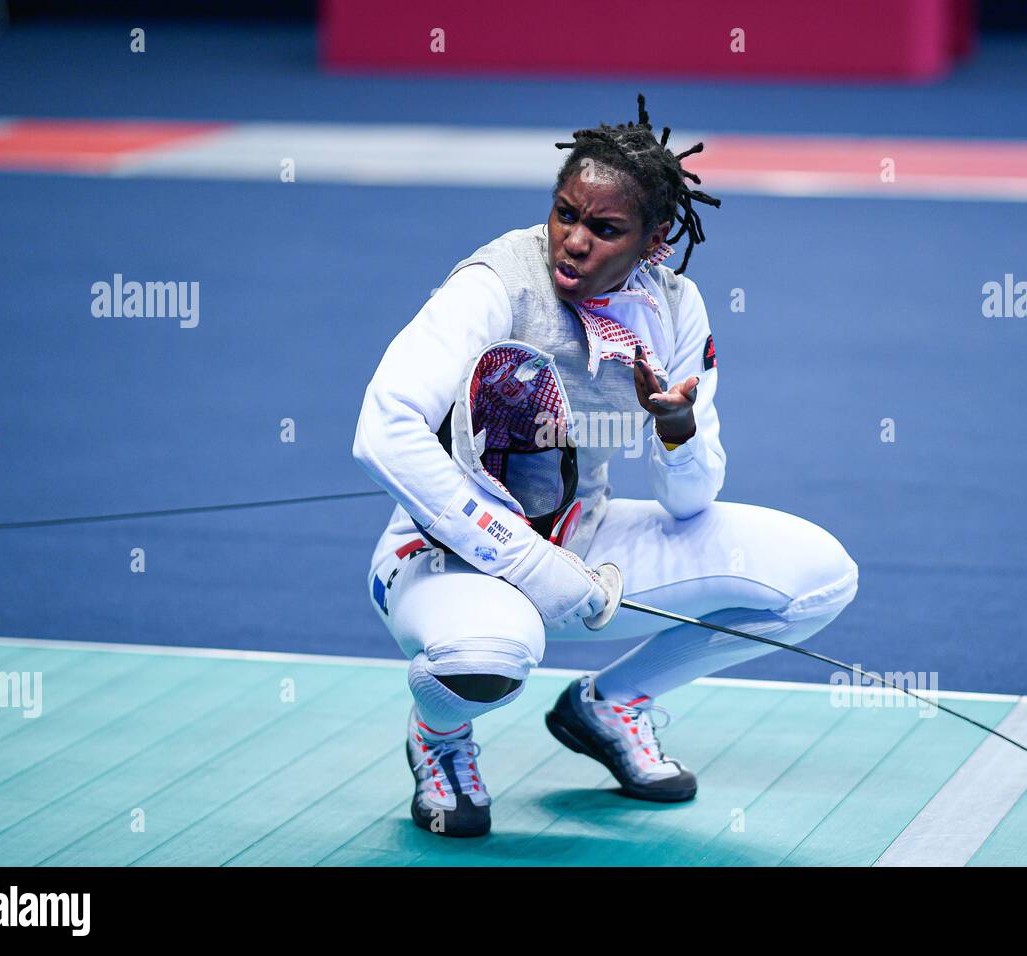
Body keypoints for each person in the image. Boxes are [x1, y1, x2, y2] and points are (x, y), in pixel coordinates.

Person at [352, 95, 859, 838]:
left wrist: (678, 429)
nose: (574, 242)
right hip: (441, 559)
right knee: (486, 656)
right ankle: (440, 737)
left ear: (654, 241)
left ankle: (610, 706)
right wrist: (526, 562)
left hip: (582, 545)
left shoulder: (675, 310)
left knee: (817, 579)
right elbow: (382, 430)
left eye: (605, 228)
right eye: (565, 214)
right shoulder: (496, 283)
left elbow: (691, 504)